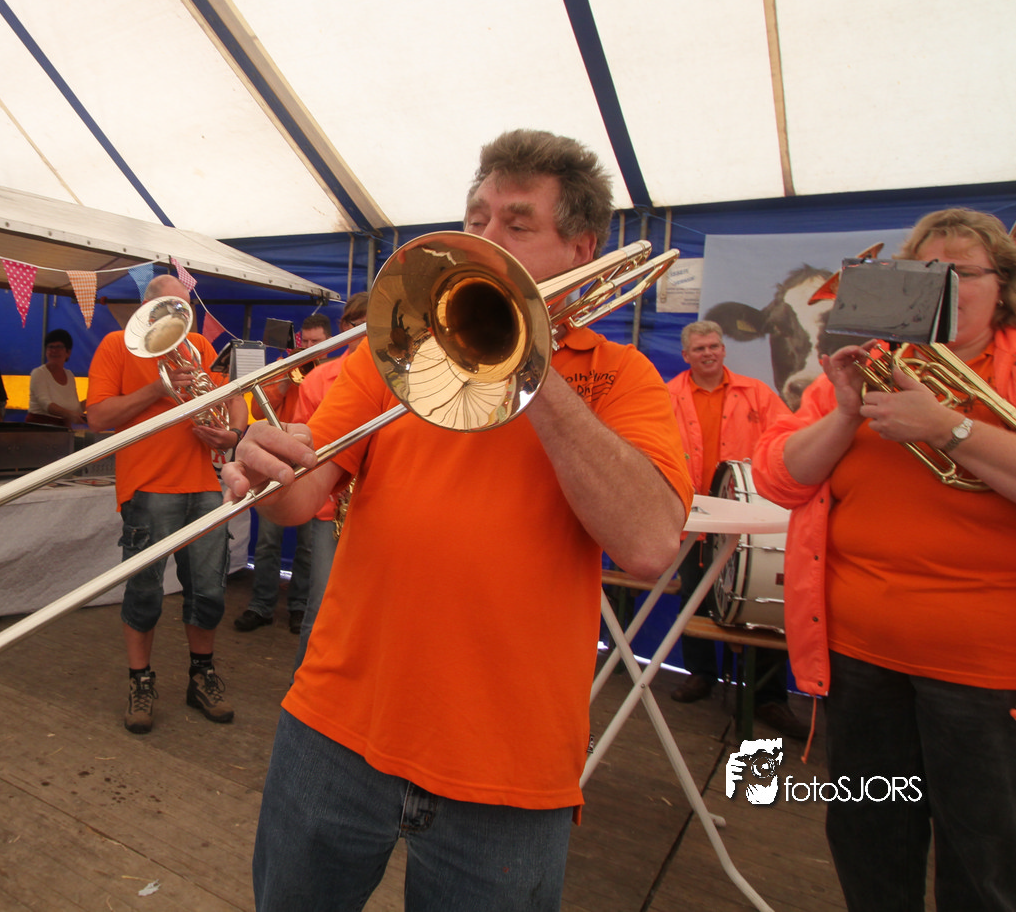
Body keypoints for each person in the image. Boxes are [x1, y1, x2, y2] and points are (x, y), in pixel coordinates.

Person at [226, 130, 693, 911]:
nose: (484, 238)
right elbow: (300, 499)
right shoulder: (396, 350)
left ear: (581, 248)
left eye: (517, 223)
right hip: (336, 724)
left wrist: (528, 361)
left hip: (507, 763)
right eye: (475, 220)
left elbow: (648, 544)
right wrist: (261, 468)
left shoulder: (623, 377)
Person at [752, 207, 1016, 912]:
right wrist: (845, 413)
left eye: (962, 273)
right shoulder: (870, 361)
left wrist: (949, 427)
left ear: (1002, 284)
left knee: (987, 863)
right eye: (928, 273)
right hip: (860, 661)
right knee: (868, 840)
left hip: (988, 677)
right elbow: (778, 477)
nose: (944, 288)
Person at [87, 274, 249, 734]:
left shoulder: (199, 344)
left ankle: (202, 675)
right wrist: (158, 388)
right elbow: (97, 416)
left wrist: (233, 434)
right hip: (147, 486)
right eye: (170, 310)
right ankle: (140, 681)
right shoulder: (116, 345)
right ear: (147, 309)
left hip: (205, 485)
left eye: (184, 310)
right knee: (145, 591)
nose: (180, 320)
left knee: (209, 591)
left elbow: (234, 397)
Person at [664, 320, 804, 737]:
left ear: (724, 350)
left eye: (714, 345)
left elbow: (789, 437)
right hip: (694, 519)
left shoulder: (757, 393)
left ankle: (768, 696)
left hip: (750, 522)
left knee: (762, 607)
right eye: (699, 348)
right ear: (686, 356)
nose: (708, 353)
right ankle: (701, 675)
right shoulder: (667, 395)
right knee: (694, 598)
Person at [233, 314, 332, 634]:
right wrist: (284, 382)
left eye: (317, 341)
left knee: (308, 546)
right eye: (307, 341)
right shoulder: (282, 367)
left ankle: (299, 606)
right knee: (267, 541)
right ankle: (261, 605)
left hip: (315, 462)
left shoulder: (335, 375)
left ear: (328, 342)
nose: (310, 346)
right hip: (277, 461)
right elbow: (257, 410)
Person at [289, 292, 368, 668]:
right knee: (320, 605)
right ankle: (301, 684)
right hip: (330, 509)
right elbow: (304, 447)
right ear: (344, 327)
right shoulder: (319, 378)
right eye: (359, 325)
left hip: (378, 508)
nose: (367, 333)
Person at [26, 328, 86, 427]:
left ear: (68, 352)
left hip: (63, 430)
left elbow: (75, 409)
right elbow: (46, 404)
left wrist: (94, 400)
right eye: (50, 347)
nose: (54, 351)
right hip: (38, 429)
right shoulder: (38, 373)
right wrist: (69, 414)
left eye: (59, 347)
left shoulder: (69, 375)